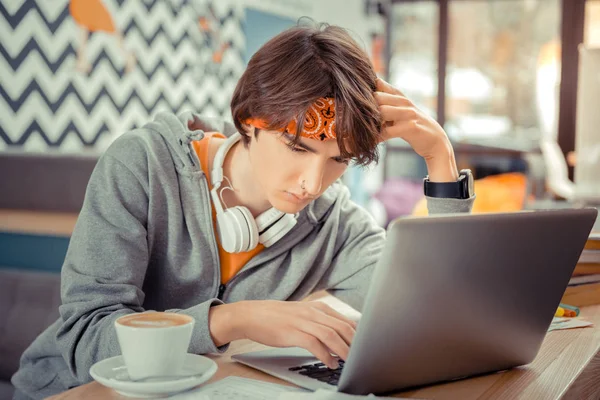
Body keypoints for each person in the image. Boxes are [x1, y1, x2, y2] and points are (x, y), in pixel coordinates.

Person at [11, 23, 473, 399]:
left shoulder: (333, 219)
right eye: (296, 146)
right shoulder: (142, 165)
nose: (313, 183)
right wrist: (235, 319)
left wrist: (439, 156)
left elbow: (441, 311)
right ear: (250, 119)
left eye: (338, 160)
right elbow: (84, 339)